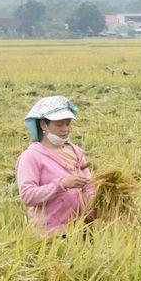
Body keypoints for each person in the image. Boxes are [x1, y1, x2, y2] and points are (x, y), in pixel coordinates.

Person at [15, 95, 96, 236]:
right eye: (59, 125)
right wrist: (62, 184)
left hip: (82, 228)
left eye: (68, 124)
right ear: (43, 125)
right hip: (51, 234)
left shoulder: (76, 151)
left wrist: (96, 205)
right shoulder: (32, 156)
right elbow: (27, 196)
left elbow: (89, 185)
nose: (65, 129)